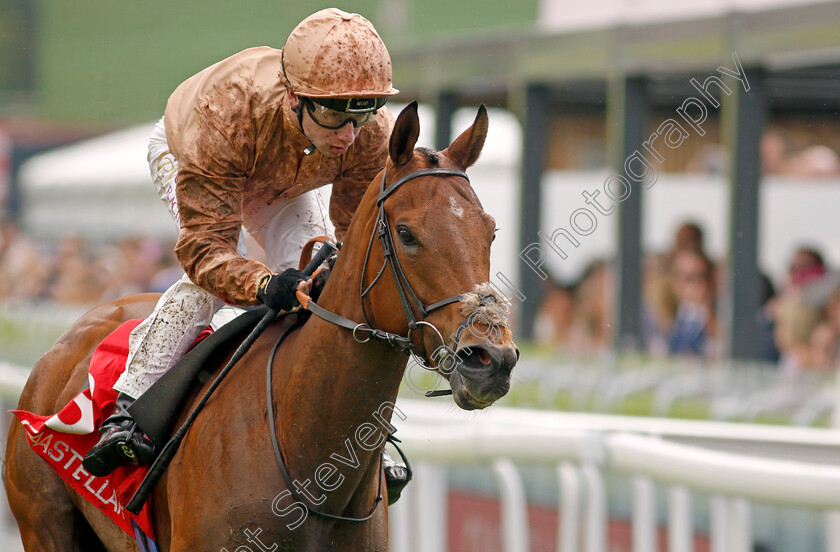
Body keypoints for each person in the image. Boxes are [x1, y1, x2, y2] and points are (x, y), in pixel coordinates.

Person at [82, 8, 411, 501]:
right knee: (212, 283)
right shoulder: (227, 113)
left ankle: (359, 429)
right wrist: (263, 285)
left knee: (320, 274)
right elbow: (203, 248)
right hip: (193, 154)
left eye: (361, 113)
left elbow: (350, 237)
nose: (348, 134)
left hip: (283, 177)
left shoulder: (368, 133)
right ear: (296, 98)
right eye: (336, 114)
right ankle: (129, 409)